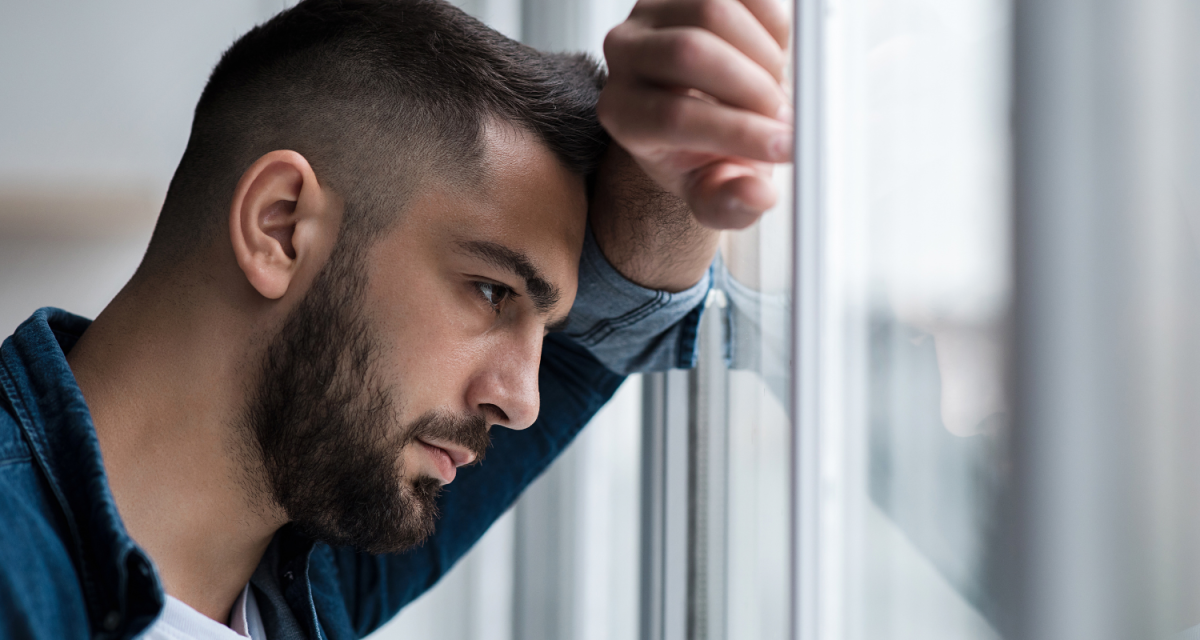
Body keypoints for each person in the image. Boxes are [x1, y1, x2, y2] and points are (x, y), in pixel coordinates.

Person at [0, 0, 792, 638]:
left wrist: (676, 160)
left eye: (541, 329)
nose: (523, 402)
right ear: (280, 228)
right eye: (491, 293)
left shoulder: (305, 557)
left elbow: (614, 317)